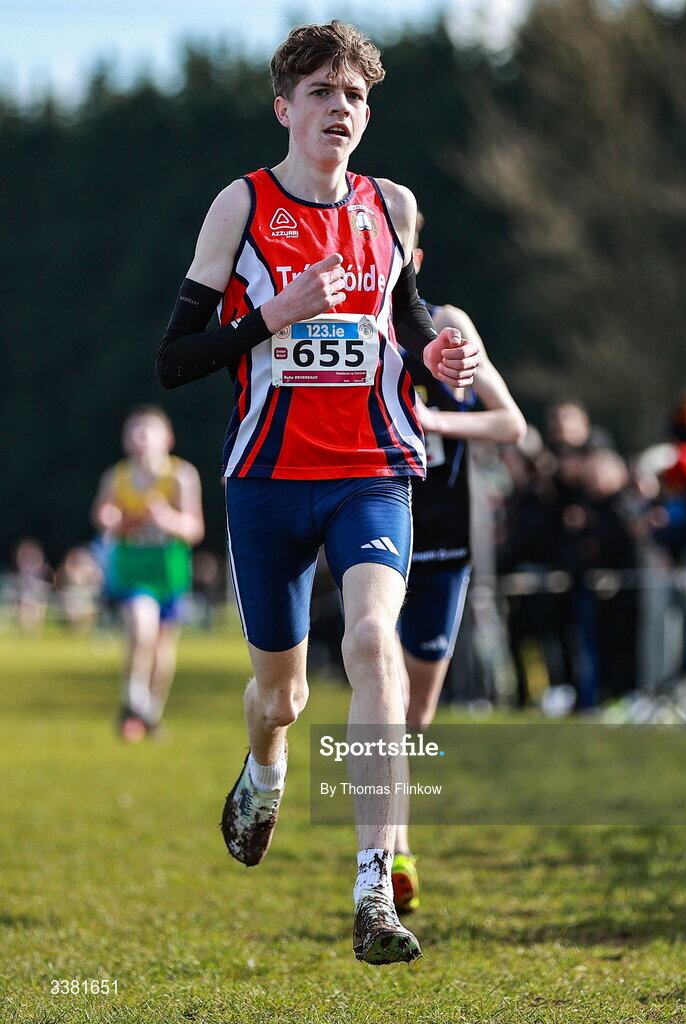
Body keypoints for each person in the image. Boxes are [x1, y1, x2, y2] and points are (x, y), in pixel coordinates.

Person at [156, 21, 480, 965]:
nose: (342, 111)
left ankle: (373, 886)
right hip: (266, 479)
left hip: (373, 472)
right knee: (282, 696)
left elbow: (410, 326)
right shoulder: (242, 206)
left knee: (374, 641)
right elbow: (174, 360)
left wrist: (438, 355)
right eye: (324, 95)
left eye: (357, 98)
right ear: (285, 108)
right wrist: (273, 316)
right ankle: (264, 766)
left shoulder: (392, 207)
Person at [393, 221, 526, 912]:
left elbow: (511, 424)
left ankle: (391, 843)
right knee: (379, 699)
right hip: (372, 532)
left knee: (415, 716)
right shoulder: (344, 329)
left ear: (415, 257)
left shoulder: (447, 323)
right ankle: (388, 851)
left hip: (442, 547)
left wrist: (436, 422)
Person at [92, 406, 204, 741]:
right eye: (133, 431)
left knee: (162, 646)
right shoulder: (117, 476)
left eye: (147, 430)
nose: (140, 438)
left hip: (169, 569)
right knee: (141, 631)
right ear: (126, 440)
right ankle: (133, 702)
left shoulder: (181, 476)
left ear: (167, 439)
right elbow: (102, 514)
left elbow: (194, 529)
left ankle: (150, 712)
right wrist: (110, 518)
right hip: (133, 568)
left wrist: (165, 519)